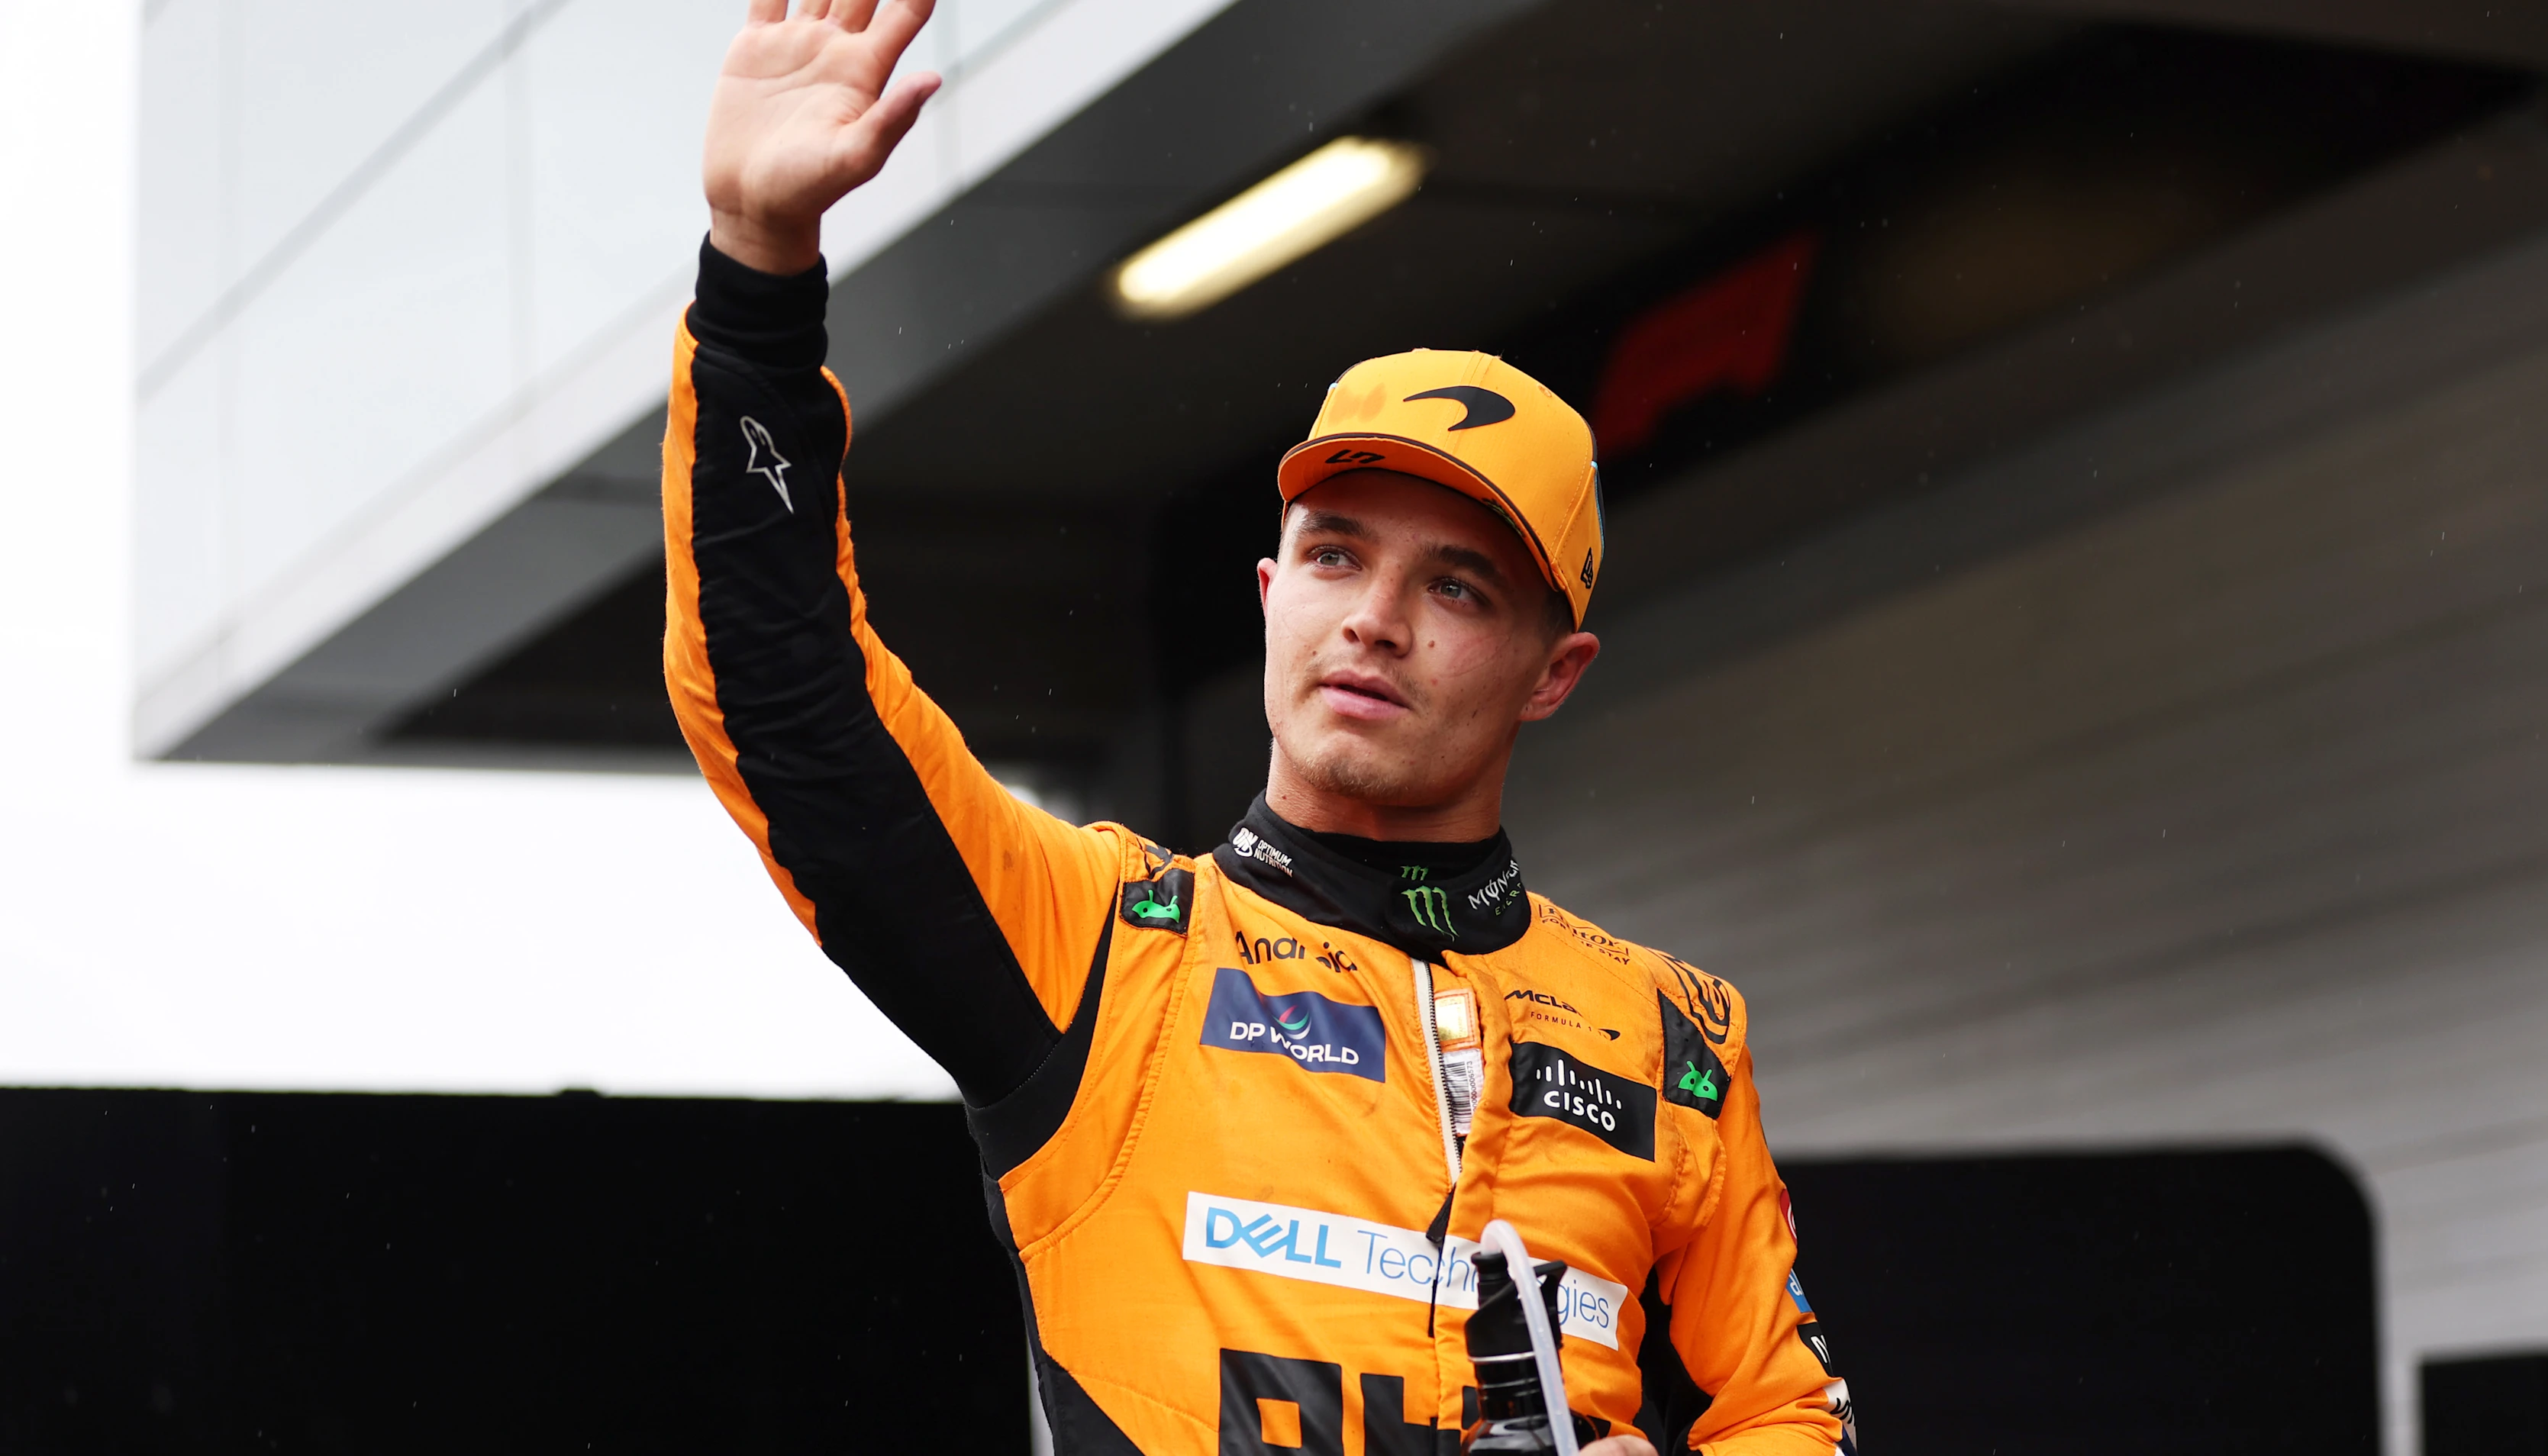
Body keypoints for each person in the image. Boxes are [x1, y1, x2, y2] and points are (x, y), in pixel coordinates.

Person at [665, 2, 1856, 1451]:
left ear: (1556, 674)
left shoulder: (1673, 1036)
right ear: (1270, 593)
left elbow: (1793, 1413)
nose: (1376, 618)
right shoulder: (1100, 948)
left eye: (1459, 586)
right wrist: (755, 280)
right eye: (1338, 555)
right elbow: (789, 709)